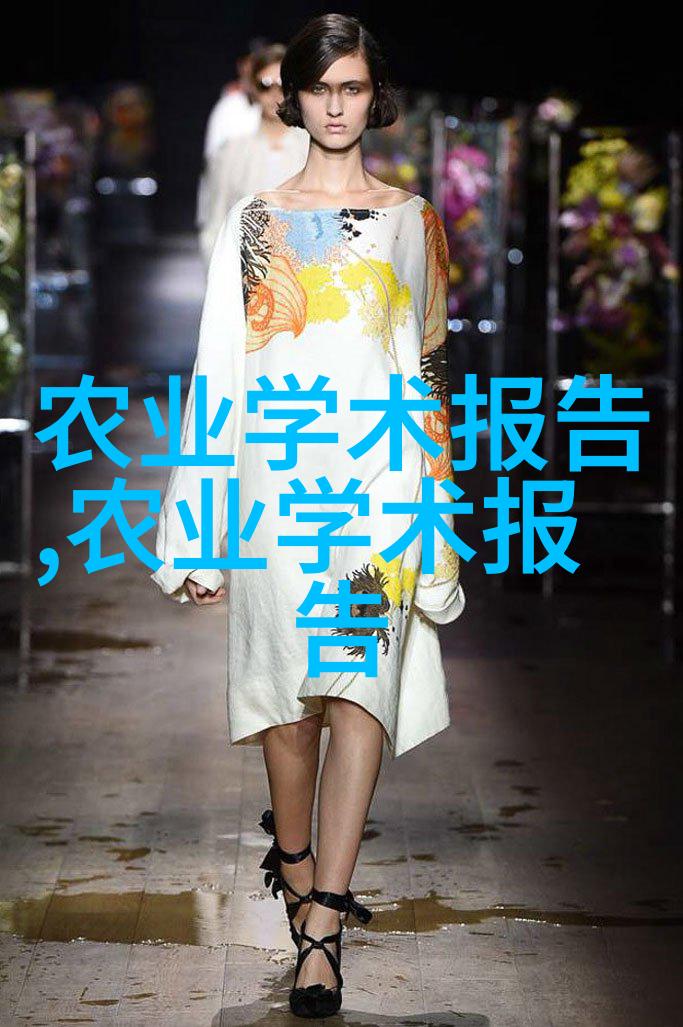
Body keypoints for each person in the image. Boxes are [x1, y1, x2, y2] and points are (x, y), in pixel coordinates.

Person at [151, 11, 465, 1019]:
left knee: (359, 690)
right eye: (320, 88)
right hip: (277, 487)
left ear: (376, 97)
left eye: (353, 87)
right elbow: (218, 371)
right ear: (292, 97)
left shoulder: (413, 220)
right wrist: (195, 527)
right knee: (289, 703)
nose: (336, 106)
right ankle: (292, 861)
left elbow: (429, 370)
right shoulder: (257, 221)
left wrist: (436, 514)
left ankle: (323, 921)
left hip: (380, 484)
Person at [198, 43, 309, 266]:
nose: (275, 93)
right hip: (243, 270)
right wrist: (218, 275)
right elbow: (215, 222)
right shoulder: (231, 152)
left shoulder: (313, 148)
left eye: (282, 84)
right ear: (253, 88)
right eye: (265, 84)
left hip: (305, 270)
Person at [195, 41, 264, 236]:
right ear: (241, 66)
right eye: (252, 63)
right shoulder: (229, 107)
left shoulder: (278, 109)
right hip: (231, 210)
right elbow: (215, 162)